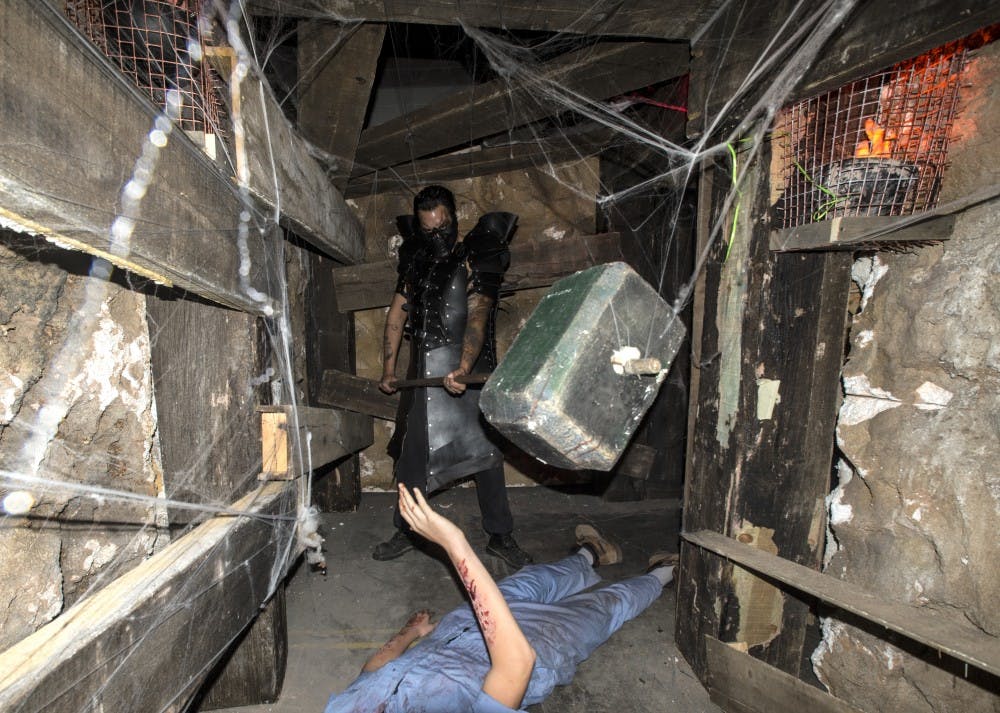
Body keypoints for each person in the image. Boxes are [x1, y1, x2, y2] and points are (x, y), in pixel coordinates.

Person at [323, 483, 677, 713]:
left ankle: (590, 555)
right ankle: (665, 572)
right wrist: (454, 544)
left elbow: (369, 675)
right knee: (601, 609)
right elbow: (516, 663)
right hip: (529, 648)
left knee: (534, 580)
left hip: (463, 626)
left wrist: (411, 632)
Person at [375, 184, 531, 568]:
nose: (436, 236)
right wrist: (389, 369)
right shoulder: (416, 260)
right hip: (422, 371)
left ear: (453, 217)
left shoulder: (476, 253)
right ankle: (408, 528)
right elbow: (397, 316)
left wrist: (463, 366)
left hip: (471, 368)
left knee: (486, 454)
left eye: (442, 227)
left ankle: (500, 534)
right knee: (412, 455)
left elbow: (478, 314)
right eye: (428, 230)